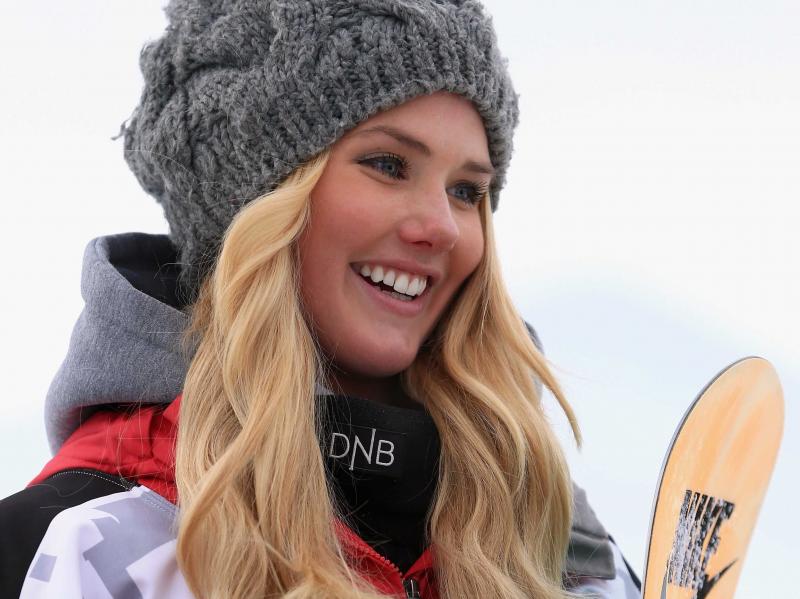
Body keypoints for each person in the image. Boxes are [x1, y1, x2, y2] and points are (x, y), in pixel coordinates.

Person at [0, 1, 641, 597]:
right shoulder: (79, 548)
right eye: (388, 165)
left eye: (466, 190)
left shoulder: (564, 553)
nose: (443, 227)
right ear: (252, 201)